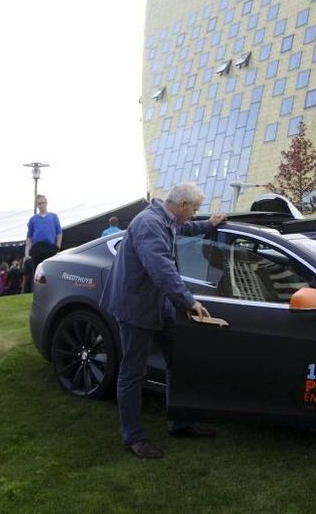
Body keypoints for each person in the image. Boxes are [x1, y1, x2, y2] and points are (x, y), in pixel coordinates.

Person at [102, 182, 227, 460]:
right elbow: (160, 267)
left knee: (177, 361)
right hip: (136, 307)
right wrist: (189, 301)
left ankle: (179, 422)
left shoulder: (166, 218)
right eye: (194, 209)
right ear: (182, 205)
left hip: (159, 304)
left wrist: (209, 223)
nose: (193, 214)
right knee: (132, 372)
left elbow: (183, 228)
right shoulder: (149, 223)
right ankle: (133, 438)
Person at [26, 195, 62, 272]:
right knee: (38, 271)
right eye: (39, 203)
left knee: (51, 271)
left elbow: (59, 233)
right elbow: (29, 236)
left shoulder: (53, 216)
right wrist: (30, 248)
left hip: (50, 247)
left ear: (46, 203)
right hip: (37, 247)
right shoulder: (33, 219)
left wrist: (58, 246)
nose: (42, 205)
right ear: (36, 205)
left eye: (43, 203)